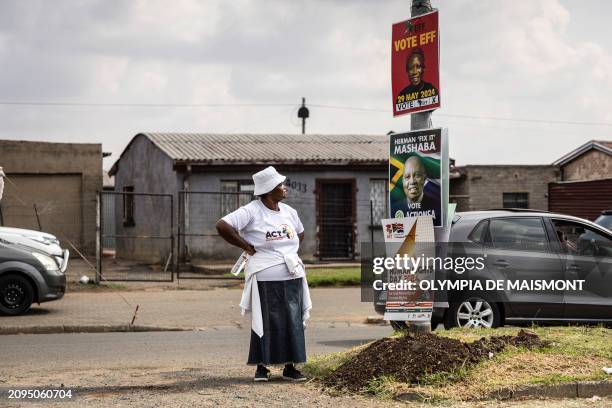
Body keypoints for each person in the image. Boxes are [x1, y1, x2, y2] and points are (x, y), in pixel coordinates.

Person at [216, 166, 311, 383]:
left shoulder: (289, 212)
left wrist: (287, 254)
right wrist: (247, 246)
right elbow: (223, 226)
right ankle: (262, 367)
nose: (284, 188)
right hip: (265, 278)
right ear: (269, 190)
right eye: (280, 185)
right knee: (267, 321)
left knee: (293, 321)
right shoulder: (252, 210)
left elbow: (300, 233)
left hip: (292, 275)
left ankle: (291, 367)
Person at [394, 155, 441, 222]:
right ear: (402, 180)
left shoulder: (438, 209)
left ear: (424, 178)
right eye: (407, 177)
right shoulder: (394, 210)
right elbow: (396, 231)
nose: (412, 181)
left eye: (417, 175)